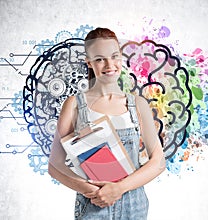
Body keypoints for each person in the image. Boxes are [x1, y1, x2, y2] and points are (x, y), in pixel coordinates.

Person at [48, 27, 166, 220]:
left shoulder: (138, 104)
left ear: (121, 57)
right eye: (100, 59)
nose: (109, 64)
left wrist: (119, 188)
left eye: (114, 56)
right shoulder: (75, 105)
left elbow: (158, 162)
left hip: (134, 207)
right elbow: (55, 165)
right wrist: (89, 189)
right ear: (89, 62)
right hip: (93, 205)